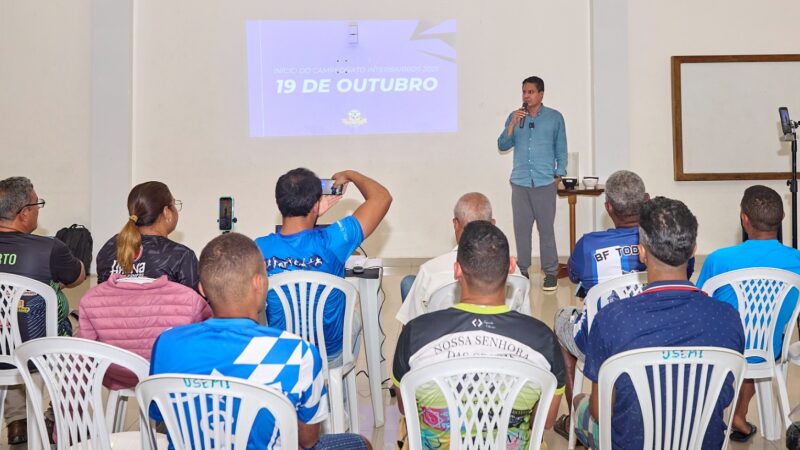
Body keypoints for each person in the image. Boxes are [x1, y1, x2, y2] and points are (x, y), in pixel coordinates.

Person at [150, 233, 372, 450]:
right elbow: (308, 440)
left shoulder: (166, 345)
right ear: (259, 284)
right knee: (361, 444)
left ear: (201, 289)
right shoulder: (297, 354)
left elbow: (159, 415)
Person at [574, 197, 745, 450]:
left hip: (631, 444)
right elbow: (725, 398)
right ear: (693, 249)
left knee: (580, 402)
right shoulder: (728, 317)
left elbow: (601, 411)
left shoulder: (611, 319)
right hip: (702, 443)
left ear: (641, 252)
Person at [392, 221, 565, 450]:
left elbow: (406, 408)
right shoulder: (542, 340)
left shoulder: (416, 334)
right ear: (512, 266)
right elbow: (546, 420)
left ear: (457, 270)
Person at [697, 185, 800, 442]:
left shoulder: (719, 260)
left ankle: (716, 415)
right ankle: (739, 414)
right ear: (782, 219)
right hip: (769, 349)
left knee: (732, 330)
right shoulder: (797, 260)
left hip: (723, 350)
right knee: (757, 334)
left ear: (744, 218)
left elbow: (700, 303)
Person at [551, 169, 648, 439]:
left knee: (561, 319)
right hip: (650, 334)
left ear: (608, 207)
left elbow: (573, 276)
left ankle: (575, 420)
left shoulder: (588, 245)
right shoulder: (660, 243)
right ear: (645, 201)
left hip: (598, 341)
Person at [255, 168, 391, 361]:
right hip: (329, 353)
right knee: (355, 320)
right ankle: (341, 382)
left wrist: (314, 211)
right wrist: (351, 175)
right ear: (315, 206)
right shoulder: (335, 240)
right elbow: (382, 197)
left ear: (279, 204)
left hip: (284, 353)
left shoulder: (258, 249)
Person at [0, 176, 86, 444]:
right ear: (24, 213)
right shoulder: (49, 248)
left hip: (2, 346)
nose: (38, 209)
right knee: (85, 326)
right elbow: (77, 277)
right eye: (38, 204)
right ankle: (56, 417)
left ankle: (16, 422)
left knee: (9, 330)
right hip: (39, 352)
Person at [396, 192, 523, 325]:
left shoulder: (430, 271)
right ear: (492, 224)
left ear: (456, 224)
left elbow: (414, 326)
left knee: (409, 282)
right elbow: (523, 321)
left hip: (441, 337)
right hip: (501, 333)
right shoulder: (516, 272)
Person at [78, 274, 212, 389]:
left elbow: (82, 358)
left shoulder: (91, 298)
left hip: (117, 375)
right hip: (168, 377)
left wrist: (71, 408)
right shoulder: (190, 297)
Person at [497, 76, 567, 291]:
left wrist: (559, 175)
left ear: (541, 94)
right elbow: (502, 144)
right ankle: (523, 270)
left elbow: (561, 149)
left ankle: (550, 273)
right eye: (524, 92)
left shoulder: (555, 118)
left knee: (546, 230)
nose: (526, 96)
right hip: (520, 182)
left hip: (545, 182)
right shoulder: (514, 117)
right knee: (521, 229)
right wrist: (511, 126)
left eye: (530, 92)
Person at [95, 181, 198, 291]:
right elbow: (195, 305)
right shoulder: (181, 256)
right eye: (174, 204)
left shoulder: (109, 248)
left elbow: (101, 298)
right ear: (166, 212)